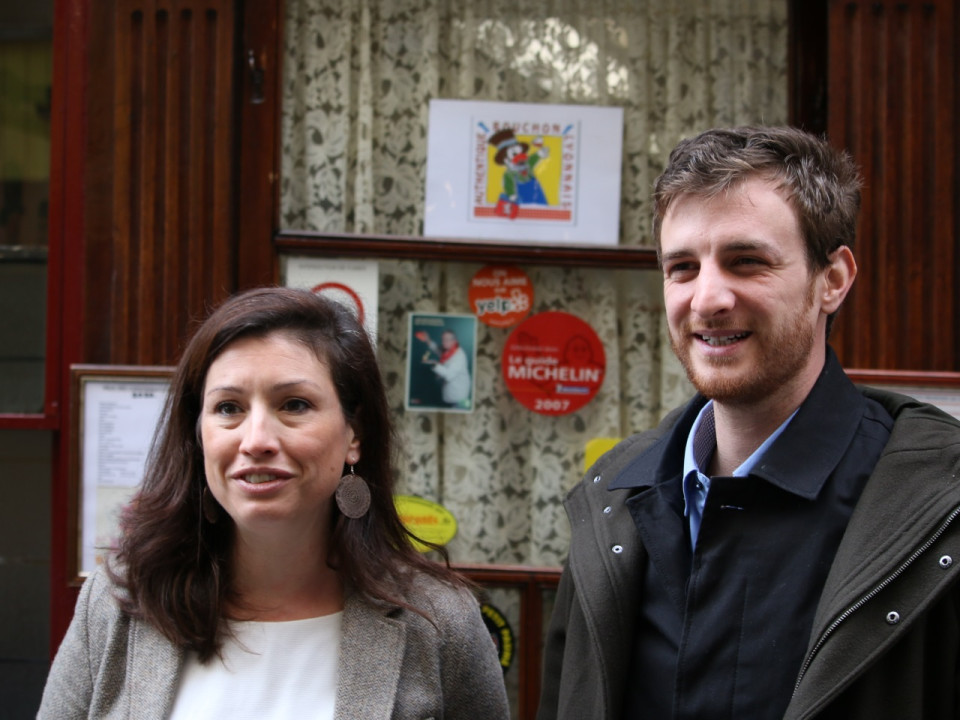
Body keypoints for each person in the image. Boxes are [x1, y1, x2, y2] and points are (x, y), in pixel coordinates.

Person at [537, 126, 960, 720]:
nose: (707, 298)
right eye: (683, 267)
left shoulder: (937, 510)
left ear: (833, 280)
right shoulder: (612, 498)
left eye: (747, 262)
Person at [39, 287, 509, 719]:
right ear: (197, 435)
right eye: (229, 408)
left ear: (355, 433)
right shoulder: (118, 602)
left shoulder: (440, 622)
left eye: (294, 404)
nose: (256, 440)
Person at [422, 328, 472, 409]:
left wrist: (434, 364)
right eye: (443, 339)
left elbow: (449, 375)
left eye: (446, 340)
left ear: (454, 341)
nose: (443, 342)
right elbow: (436, 349)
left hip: (460, 398)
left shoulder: (459, 356)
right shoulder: (448, 350)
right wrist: (428, 340)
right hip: (452, 396)